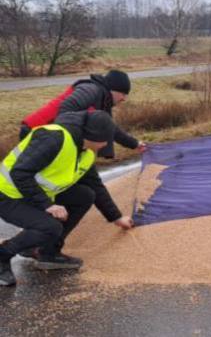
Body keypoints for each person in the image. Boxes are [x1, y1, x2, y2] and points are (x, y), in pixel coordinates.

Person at [0, 111, 134, 287]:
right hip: (7, 195)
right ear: (95, 136)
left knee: (85, 195)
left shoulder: (86, 152)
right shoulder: (54, 138)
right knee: (50, 227)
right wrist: (47, 205)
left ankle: (47, 252)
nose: (107, 144)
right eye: (106, 139)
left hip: (31, 193)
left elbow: (96, 186)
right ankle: (3, 254)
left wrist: (116, 217)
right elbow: (20, 172)